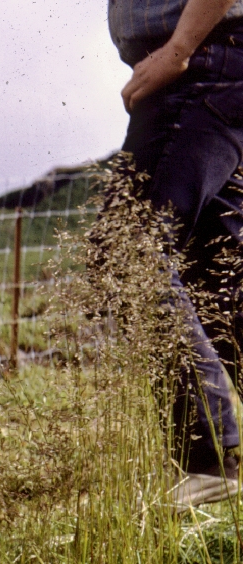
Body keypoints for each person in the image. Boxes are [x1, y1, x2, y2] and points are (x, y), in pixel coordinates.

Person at [110, 0, 243, 506]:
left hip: (197, 66)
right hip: (210, 66)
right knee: (216, 277)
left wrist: (178, 50)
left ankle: (207, 460)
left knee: (130, 252)